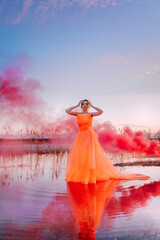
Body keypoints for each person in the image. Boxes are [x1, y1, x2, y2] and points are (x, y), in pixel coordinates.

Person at [65, 99, 150, 184]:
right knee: (82, 156)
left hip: (89, 136)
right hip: (81, 135)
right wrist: (76, 105)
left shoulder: (91, 114)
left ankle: (90, 176)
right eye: (83, 104)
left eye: (86, 104)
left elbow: (100, 111)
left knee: (90, 155)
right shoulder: (78, 114)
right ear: (81, 106)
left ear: (88, 106)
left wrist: (92, 105)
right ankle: (82, 175)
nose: (84, 105)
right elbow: (68, 111)